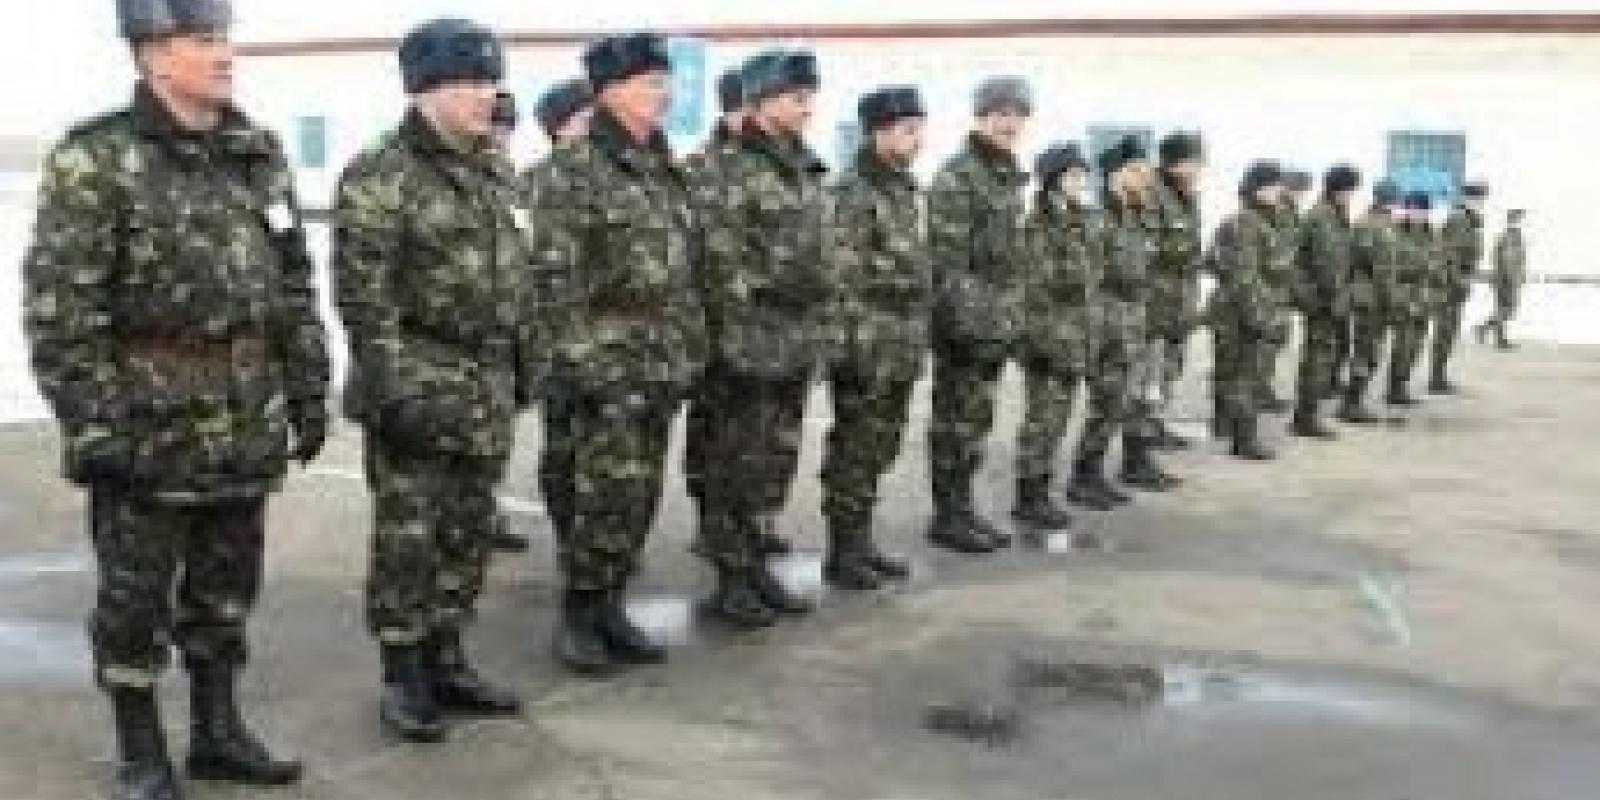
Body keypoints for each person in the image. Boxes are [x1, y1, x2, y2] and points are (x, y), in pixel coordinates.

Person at [23, 0, 327, 795]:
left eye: (225, 38)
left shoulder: (255, 152)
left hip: (246, 418)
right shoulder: (97, 159)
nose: (224, 54)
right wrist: (95, 427)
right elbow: (62, 310)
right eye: (203, 39)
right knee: (135, 602)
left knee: (225, 594)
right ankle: (141, 751)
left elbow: (294, 280)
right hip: (148, 428)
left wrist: (308, 386)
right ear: (153, 54)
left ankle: (218, 734)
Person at [332, 18, 529, 741]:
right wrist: (396, 389)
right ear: (424, 89)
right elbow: (365, 300)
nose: (486, 95)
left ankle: (448, 657)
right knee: (408, 538)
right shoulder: (381, 174)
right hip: (418, 377)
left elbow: (520, 274)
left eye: (491, 82)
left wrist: (522, 366)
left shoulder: (495, 169)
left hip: (486, 381)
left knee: (468, 531)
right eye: (469, 82)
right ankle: (403, 673)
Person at [530, 32, 706, 669]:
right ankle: (580, 614)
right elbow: (551, 283)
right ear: (609, 91)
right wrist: (586, 366)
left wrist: (689, 347)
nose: (665, 94)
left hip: (657, 361)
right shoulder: (572, 170)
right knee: (598, 495)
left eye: (666, 81)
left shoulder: (663, 169)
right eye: (651, 83)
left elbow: (684, 269)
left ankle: (610, 607)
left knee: (639, 494)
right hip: (603, 368)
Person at [696, 48, 827, 622]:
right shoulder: (729, 168)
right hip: (747, 345)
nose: (807, 108)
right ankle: (731, 577)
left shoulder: (804, 168)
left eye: (809, 97)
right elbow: (718, 266)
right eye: (797, 98)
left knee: (774, 465)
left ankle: (754, 565)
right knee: (735, 466)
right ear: (761, 101)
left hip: (792, 342)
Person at [817, 86, 927, 585]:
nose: (918, 139)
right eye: (908, 130)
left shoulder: (902, 190)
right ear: (879, 133)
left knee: (880, 446)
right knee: (855, 448)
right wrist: (848, 350)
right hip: (865, 345)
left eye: (919, 128)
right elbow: (842, 275)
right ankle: (842, 552)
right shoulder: (852, 192)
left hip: (898, 342)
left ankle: (861, 541)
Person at [684, 61, 792, 563]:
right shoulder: (703, 167)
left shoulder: (778, 163)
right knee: (715, 435)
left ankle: (753, 523)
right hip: (718, 327)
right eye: (734, 110)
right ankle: (713, 525)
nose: (740, 118)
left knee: (766, 439)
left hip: (772, 333)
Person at [924, 76, 1032, 553]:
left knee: (976, 423)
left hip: (993, 324)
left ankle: (962, 508)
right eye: (1001, 113)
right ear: (981, 116)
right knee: (955, 423)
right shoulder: (959, 177)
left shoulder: (1006, 178)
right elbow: (948, 264)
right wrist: (971, 328)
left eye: (1018, 114)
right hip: (965, 327)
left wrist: (1008, 321)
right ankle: (948, 516)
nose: (1010, 123)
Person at [523, 75, 595, 560]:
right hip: (556, 340)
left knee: (607, 452)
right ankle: (571, 535)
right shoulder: (529, 185)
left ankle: (602, 543)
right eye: (586, 120)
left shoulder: (615, 180)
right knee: (563, 447)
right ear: (560, 127)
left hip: (610, 343)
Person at [1015, 143, 1097, 532]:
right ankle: (1029, 497)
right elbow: (1036, 286)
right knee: (1042, 419)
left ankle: (1041, 491)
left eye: (1083, 175)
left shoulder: (1080, 220)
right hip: (1046, 336)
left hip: (1075, 333)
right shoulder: (1037, 225)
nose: (1080, 182)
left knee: (1059, 416)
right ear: (1053, 180)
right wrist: (1043, 340)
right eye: (1073, 175)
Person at [1209, 161, 1287, 460]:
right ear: (1257, 189)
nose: (1278, 191)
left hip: (1241, 307)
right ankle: (1243, 440)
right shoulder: (1247, 223)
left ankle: (1229, 428)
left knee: (1237, 373)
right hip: (1242, 311)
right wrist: (1258, 318)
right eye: (1273, 186)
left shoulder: (1258, 221)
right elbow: (1245, 276)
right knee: (1245, 376)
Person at [1291, 164, 1361, 439]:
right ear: (1338, 189)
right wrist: (1335, 298)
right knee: (1317, 361)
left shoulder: (1335, 215)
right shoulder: (1322, 217)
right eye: (1350, 190)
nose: (1351, 196)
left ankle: (1307, 415)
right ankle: (1305, 418)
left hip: (1331, 300)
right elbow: (1327, 264)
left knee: (1321, 359)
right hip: (1322, 302)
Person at [1146, 131, 1207, 451]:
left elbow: (1191, 250)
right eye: (1192, 162)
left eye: (1199, 163)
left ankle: (1156, 426)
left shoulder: (1189, 198)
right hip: (1155, 304)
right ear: (1173, 163)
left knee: (1170, 370)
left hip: (1180, 303)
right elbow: (1151, 249)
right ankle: (1141, 433)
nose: (1198, 169)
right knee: (1149, 374)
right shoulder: (1153, 195)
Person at [1338, 180, 1404, 424]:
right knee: (1366, 352)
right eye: (1396, 199)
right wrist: (1392, 301)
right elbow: (1382, 269)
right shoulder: (1376, 226)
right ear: (1390, 200)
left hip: (1369, 295)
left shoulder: (1372, 223)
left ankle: (1353, 400)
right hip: (1372, 298)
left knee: (1367, 351)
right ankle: (1351, 404)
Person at [1430, 182, 1487, 392]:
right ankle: (1436, 378)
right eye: (1478, 199)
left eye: (1482, 199)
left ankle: (1439, 376)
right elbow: (1449, 253)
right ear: (1468, 199)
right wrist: (1457, 280)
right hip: (1450, 286)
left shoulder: (1469, 220)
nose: (1481, 203)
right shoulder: (1459, 219)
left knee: (1449, 331)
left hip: (1458, 284)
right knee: (1445, 331)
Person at [1387, 191, 1438, 407]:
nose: (1417, 214)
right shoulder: (1396, 232)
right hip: (1404, 296)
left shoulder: (1431, 235)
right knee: (1404, 344)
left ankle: (1403, 384)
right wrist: (1401, 298)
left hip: (1424, 296)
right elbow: (1391, 267)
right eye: (1413, 209)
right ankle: (1395, 388)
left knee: (1416, 344)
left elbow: (1437, 262)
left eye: (1422, 210)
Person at [1476, 209, 1528, 349]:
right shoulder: (1510, 237)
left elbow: (1514, 259)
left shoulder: (1512, 236)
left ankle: (1489, 332)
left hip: (1504, 277)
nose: (1521, 222)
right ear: (1512, 220)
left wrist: (1520, 276)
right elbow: (1508, 259)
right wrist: (1512, 278)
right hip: (1505, 278)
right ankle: (1494, 335)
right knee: (1506, 309)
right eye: (1518, 219)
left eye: (1520, 219)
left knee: (1504, 309)